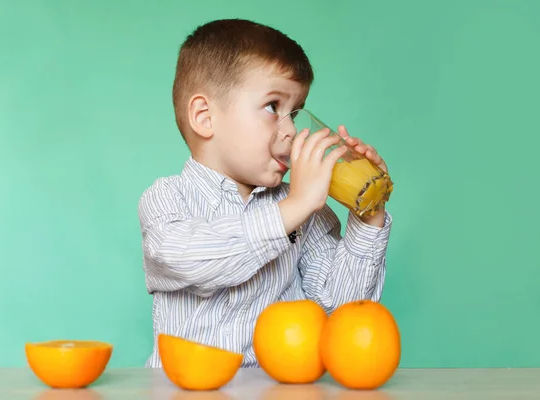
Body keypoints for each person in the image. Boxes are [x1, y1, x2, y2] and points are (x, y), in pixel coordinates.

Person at [137, 18, 393, 368]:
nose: (290, 130)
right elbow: (186, 260)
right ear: (204, 117)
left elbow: (344, 310)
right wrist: (292, 209)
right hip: (185, 390)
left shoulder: (308, 212)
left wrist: (368, 216)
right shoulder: (167, 198)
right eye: (273, 107)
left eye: (296, 112)